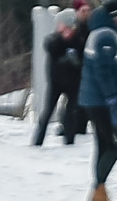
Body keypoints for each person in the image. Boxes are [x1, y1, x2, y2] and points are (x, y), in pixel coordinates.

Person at [78, 0, 117, 201]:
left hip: (95, 99)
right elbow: (104, 72)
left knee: (103, 145)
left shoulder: (102, 31)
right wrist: (114, 100)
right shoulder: (107, 36)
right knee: (115, 144)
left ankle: (99, 192)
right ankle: (98, 188)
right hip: (101, 101)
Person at [32, 8, 81, 147]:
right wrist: (65, 59)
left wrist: (76, 61)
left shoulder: (78, 39)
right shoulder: (55, 39)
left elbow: (82, 57)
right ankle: (38, 141)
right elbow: (49, 45)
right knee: (47, 112)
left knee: (71, 112)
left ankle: (69, 140)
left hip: (73, 83)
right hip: (56, 82)